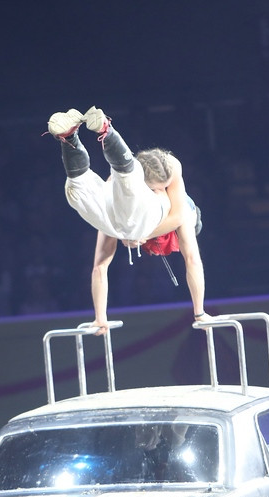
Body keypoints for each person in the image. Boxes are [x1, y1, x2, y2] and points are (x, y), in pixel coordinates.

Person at [47, 107, 210, 333]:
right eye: (156, 188)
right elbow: (191, 258)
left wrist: (100, 317)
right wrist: (199, 313)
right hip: (139, 213)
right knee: (128, 188)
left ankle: (69, 139)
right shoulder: (181, 209)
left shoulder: (125, 205)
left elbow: (99, 267)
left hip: (118, 218)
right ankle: (106, 130)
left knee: (79, 190)